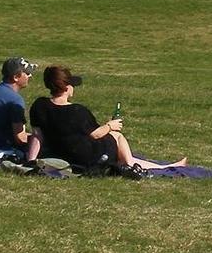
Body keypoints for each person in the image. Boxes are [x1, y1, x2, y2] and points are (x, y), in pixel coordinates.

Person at [27, 66, 186, 174]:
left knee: (116, 148)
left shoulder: (40, 106)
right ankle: (133, 166)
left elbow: (37, 135)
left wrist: (31, 160)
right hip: (85, 157)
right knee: (117, 137)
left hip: (60, 152)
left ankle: (161, 166)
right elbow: (95, 134)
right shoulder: (77, 111)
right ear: (67, 88)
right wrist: (111, 126)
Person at [0, 57, 42, 163]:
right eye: (27, 73)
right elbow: (20, 139)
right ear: (16, 77)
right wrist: (40, 139)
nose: (30, 76)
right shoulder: (15, 100)